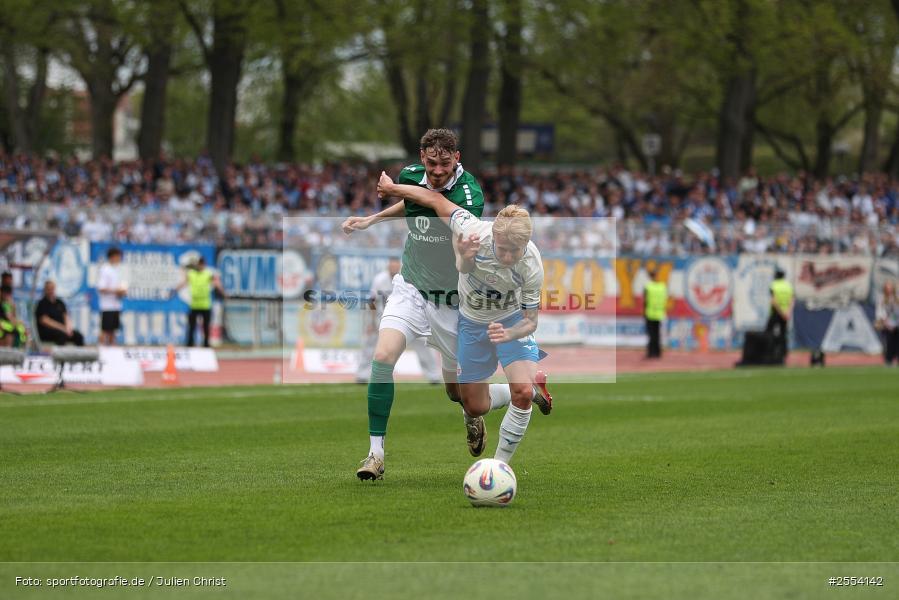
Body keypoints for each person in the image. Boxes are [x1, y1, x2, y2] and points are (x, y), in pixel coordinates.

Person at [342, 128, 514, 481]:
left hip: (454, 302)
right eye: (431, 163)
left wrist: (392, 188)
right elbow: (414, 202)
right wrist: (372, 219)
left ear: (457, 159)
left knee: (463, 397)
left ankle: (516, 392)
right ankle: (375, 454)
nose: (437, 170)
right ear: (422, 158)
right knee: (382, 357)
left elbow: (436, 204)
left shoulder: (470, 194)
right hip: (412, 287)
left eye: (445, 164)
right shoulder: (410, 177)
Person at [378, 172, 553, 465]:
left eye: (515, 251)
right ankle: (524, 393)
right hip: (471, 322)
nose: (508, 256)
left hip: (510, 322)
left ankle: (499, 468)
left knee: (520, 391)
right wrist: (394, 188)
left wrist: (509, 336)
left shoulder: (531, 264)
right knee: (473, 405)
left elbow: (530, 320)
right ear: (493, 236)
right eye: (503, 248)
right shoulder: (471, 230)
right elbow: (434, 198)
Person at [356, 257, 441, 385]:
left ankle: (433, 376)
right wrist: (371, 323)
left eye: (396, 267)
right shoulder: (380, 280)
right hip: (383, 320)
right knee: (370, 344)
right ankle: (362, 375)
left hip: (409, 319)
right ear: (388, 267)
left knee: (424, 344)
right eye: (391, 266)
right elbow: (372, 301)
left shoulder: (409, 278)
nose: (393, 269)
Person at [173, 257, 225, 347]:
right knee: (192, 327)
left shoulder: (208, 274)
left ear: (204, 265)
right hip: (194, 305)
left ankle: (206, 345)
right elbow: (184, 283)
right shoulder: (192, 274)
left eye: (202, 264)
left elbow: (217, 283)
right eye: (199, 264)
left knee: (205, 327)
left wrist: (223, 292)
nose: (200, 266)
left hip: (205, 305)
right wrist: (175, 290)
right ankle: (190, 344)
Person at [35, 280, 85, 346]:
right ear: (45, 290)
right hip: (48, 331)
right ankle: (60, 355)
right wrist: (62, 328)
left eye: (52, 288)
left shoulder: (59, 302)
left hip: (63, 329)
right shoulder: (42, 303)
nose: (51, 291)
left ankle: (79, 355)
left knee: (78, 336)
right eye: (49, 289)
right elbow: (45, 320)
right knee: (61, 335)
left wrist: (68, 328)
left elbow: (66, 316)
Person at [97, 247, 126, 345]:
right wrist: (116, 291)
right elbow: (101, 288)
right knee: (105, 330)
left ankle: (112, 352)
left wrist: (121, 292)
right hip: (107, 306)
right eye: (118, 257)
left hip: (115, 305)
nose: (119, 259)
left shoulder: (116, 270)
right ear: (113, 257)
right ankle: (101, 351)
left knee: (113, 331)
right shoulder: (105, 269)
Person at [766, 268, 793, 364]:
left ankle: (768, 352)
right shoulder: (788, 286)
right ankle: (784, 353)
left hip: (776, 312)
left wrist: (781, 312)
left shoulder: (774, 285)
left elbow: (774, 301)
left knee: (768, 333)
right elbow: (791, 300)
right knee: (783, 334)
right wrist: (788, 313)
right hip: (785, 313)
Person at [643, 269, 668, 359]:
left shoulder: (648, 287)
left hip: (650, 313)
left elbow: (645, 301)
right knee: (657, 334)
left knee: (651, 334)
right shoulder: (662, 287)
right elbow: (664, 300)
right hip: (659, 313)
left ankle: (651, 353)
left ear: (650, 276)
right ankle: (657, 353)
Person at [875, 281, 899, 366]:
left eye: (890, 287)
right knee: (888, 343)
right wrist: (884, 321)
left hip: (897, 323)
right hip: (887, 324)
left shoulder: (896, 297)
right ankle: (888, 360)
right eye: (887, 287)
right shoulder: (881, 298)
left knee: (897, 343)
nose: (889, 289)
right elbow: (880, 311)